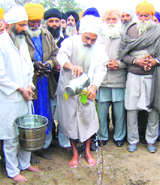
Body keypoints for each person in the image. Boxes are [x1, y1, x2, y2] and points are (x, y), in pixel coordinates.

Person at [56, 9, 108, 168]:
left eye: (93, 39)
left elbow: (101, 68)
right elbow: (61, 56)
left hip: (86, 91)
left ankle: (87, 151)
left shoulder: (99, 49)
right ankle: (75, 153)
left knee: (87, 118)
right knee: (70, 120)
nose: (90, 42)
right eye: (87, 38)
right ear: (80, 32)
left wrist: (94, 86)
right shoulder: (70, 42)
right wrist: (71, 66)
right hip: (69, 89)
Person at [0, 5, 39, 182]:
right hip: (8, 99)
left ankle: (24, 163)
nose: (24, 29)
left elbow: (29, 69)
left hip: (26, 96)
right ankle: (13, 170)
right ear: (10, 24)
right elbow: (0, 76)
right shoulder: (1, 44)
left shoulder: (22, 42)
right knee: (11, 136)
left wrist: (29, 85)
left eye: (25, 25)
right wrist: (20, 89)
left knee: (26, 133)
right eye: (21, 25)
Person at [118, 0, 160, 153]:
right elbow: (122, 54)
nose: (143, 18)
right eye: (140, 15)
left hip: (153, 75)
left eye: (146, 15)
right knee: (131, 108)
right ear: (137, 15)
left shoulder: (158, 31)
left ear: (151, 15)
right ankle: (133, 140)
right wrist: (136, 61)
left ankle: (150, 140)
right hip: (134, 74)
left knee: (153, 109)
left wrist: (154, 61)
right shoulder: (130, 30)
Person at [24, 3, 59, 160]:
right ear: (26, 20)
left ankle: (41, 147)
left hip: (45, 82)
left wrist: (49, 65)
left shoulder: (46, 34)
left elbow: (56, 53)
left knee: (46, 113)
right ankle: (29, 150)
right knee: (31, 114)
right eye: (32, 22)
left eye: (38, 21)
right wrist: (33, 66)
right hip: (29, 83)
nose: (36, 25)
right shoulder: (20, 35)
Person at [96, 9, 126, 147]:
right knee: (102, 112)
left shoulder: (124, 37)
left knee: (119, 113)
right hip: (102, 81)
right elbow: (93, 58)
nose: (111, 22)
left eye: (114, 19)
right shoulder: (98, 37)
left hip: (119, 80)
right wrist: (104, 63)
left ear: (118, 21)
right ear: (104, 21)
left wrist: (119, 64)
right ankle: (102, 136)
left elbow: (129, 57)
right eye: (108, 19)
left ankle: (119, 136)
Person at [44, 8, 71, 150]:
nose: (54, 24)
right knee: (48, 113)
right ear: (46, 22)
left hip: (64, 82)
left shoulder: (66, 40)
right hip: (48, 83)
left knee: (64, 114)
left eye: (57, 21)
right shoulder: (42, 40)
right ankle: (46, 142)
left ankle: (64, 142)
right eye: (51, 21)